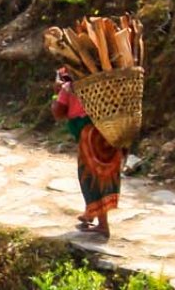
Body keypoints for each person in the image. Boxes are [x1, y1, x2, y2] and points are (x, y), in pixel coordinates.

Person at [51, 67, 123, 238]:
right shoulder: (107, 83)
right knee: (106, 175)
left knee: (91, 176)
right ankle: (90, 213)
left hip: (90, 136)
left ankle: (103, 226)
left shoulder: (71, 88)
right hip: (110, 131)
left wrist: (56, 92)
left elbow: (58, 112)